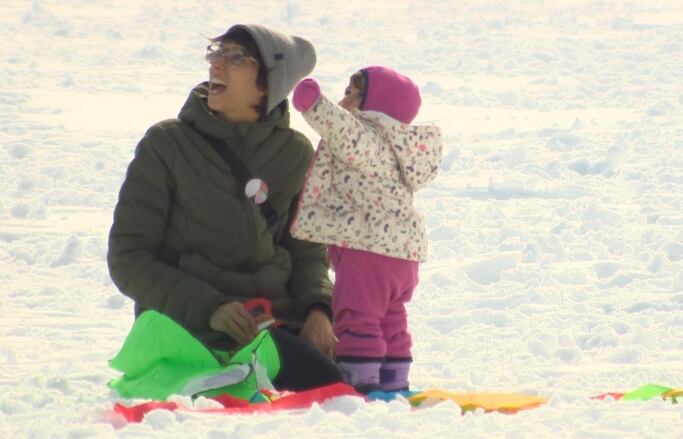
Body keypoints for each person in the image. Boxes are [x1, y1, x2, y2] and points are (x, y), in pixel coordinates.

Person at [107, 23, 341, 392]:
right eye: (216, 54)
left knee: (334, 390)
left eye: (235, 59)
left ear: (267, 84)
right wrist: (211, 309)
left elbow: (307, 249)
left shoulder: (296, 154)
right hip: (187, 329)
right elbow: (128, 258)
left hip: (271, 328)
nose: (216, 66)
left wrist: (317, 309)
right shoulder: (165, 146)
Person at [289, 66, 443, 392]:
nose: (346, 101)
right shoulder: (401, 147)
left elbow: (343, 130)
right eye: (346, 93)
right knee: (391, 319)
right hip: (402, 254)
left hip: (369, 251)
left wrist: (315, 104)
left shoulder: (368, 138)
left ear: (379, 109)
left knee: (356, 316)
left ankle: (359, 380)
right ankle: (394, 380)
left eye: (354, 96)